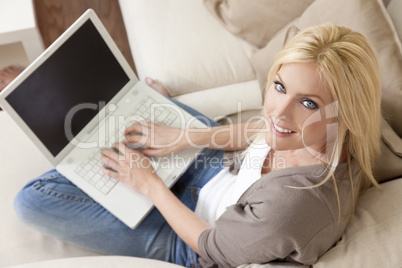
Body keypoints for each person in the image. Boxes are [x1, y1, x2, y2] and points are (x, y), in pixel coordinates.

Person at [13, 23, 381, 267]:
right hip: (222, 169)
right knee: (130, 106)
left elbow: (210, 244)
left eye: (308, 103)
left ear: (346, 112)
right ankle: (135, 104)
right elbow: (262, 129)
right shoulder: (321, 133)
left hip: (196, 236)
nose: (278, 113)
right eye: (280, 87)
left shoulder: (293, 206)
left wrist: (150, 186)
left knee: (32, 200)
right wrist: (187, 136)